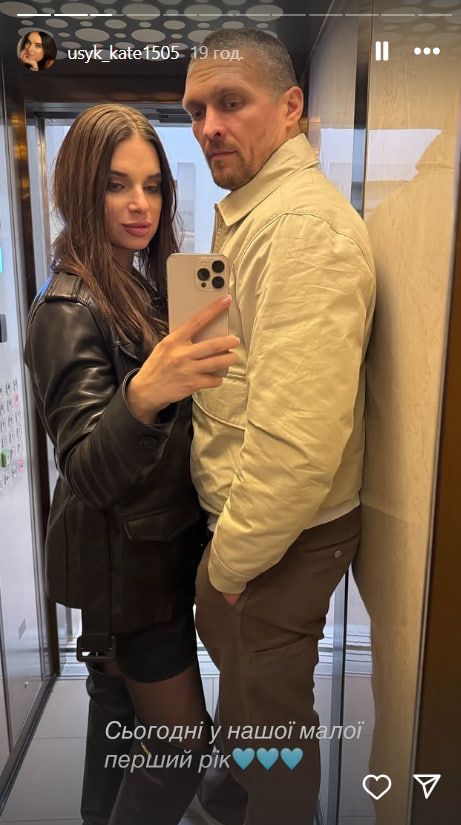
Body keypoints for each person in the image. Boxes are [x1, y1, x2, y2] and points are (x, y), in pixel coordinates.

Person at [24, 103, 240, 825]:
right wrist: (147, 390)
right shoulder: (67, 308)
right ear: (82, 189)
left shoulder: (137, 285)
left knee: (118, 718)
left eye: (152, 186)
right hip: (126, 569)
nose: (140, 204)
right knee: (181, 743)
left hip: (149, 551)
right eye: (117, 185)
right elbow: (86, 466)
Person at [182, 28, 376, 825]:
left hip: (277, 537)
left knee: (273, 727)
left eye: (230, 103)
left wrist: (228, 565)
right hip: (262, 530)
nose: (208, 127)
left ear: (291, 107)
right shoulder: (255, 212)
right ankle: (235, 795)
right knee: (255, 701)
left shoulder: (299, 229)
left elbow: (296, 445)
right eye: (195, 111)